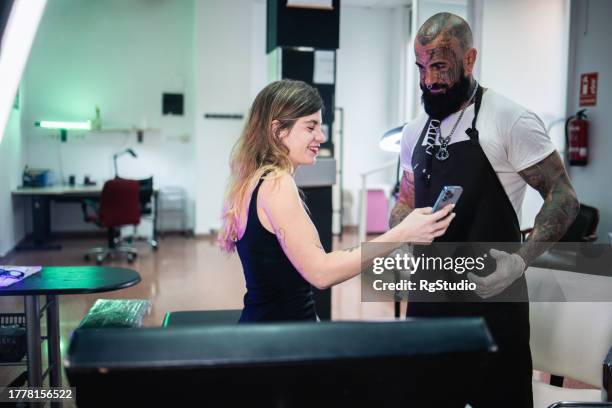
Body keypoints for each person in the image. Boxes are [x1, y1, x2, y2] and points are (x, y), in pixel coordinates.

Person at [389, 12, 579, 407]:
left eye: (439, 66)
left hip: (494, 299)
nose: (428, 80)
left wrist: (521, 261)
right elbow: (406, 201)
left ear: (469, 59)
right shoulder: (414, 131)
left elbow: (563, 197)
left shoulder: (509, 120)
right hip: (429, 300)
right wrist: (402, 244)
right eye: (421, 68)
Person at [219, 79, 455, 323]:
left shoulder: (255, 180)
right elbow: (321, 272)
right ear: (278, 130)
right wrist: (403, 233)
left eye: (320, 126)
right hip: (282, 340)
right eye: (310, 127)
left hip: (271, 326)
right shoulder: (277, 184)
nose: (321, 136)